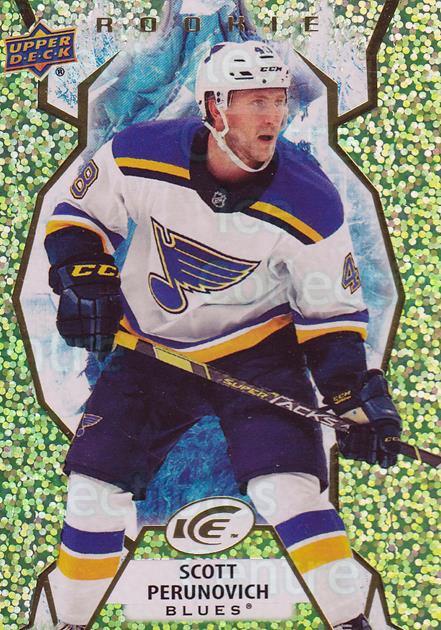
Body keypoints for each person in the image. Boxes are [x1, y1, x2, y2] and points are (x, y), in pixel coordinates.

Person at [44, 41, 402, 629]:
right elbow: (77, 216)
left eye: (279, 100)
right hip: (151, 351)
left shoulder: (310, 201)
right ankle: (69, 623)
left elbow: (330, 318)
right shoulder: (139, 152)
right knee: (92, 492)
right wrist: (83, 274)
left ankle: (352, 622)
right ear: (214, 107)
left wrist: (350, 397)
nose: (273, 115)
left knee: (287, 490)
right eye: (257, 101)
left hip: (258, 354)